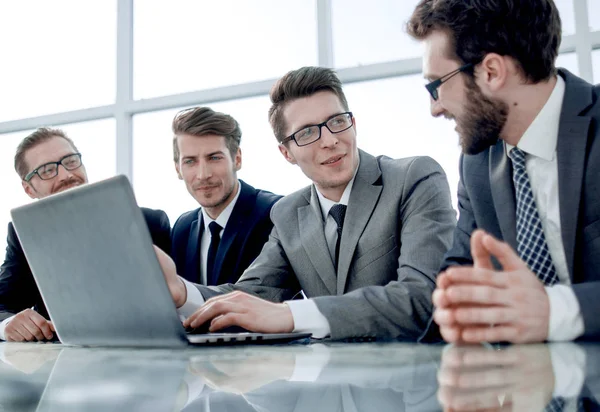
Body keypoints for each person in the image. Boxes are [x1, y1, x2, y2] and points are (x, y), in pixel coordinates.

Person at [157, 66, 457, 341]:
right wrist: (182, 293)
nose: (329, 140)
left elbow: (422, 297)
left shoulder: (414, 178)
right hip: (333, 389)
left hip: (418, 385)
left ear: (353, 124)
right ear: (286, 153)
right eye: (307, 133)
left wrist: (291, 316)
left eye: (337, 122)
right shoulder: (288, 213)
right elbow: (248, 295)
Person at [407, 0, 600, 343]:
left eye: (436, 85)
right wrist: (458, 311)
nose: (435, 108)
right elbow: (458, 273)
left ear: (492, 71)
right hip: (521, 385)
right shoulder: (477, 163)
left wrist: (554, 311)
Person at [0, 127, 171, 342]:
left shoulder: (150, 223)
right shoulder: (22, 234)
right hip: (61, 362)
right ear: (29, 189)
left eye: (71, 161)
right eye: (47, 170)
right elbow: (2, 305)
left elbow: (180, 303)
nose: (66, 175)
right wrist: (7, 325)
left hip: (147, 352)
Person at [170, 107, 281, 286]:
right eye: (190, 161)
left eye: (214, 158)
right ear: (178, 169)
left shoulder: (275, 213)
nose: (203, 174)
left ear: (237, 159)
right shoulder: (182, 229)